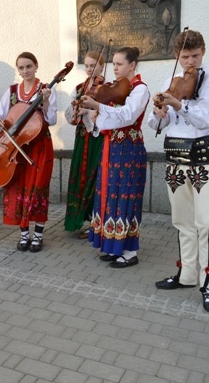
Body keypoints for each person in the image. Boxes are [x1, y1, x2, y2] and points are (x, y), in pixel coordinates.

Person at [148, 30, 209, 314]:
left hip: (203, 158)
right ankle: (187, 275)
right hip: (175, 158)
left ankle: (208, 284)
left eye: (195, 55)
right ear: (176, 56)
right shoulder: (171, 83)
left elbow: (206, 119)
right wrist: (159, 115)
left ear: (203, 51)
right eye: (185, 56)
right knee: (182, 221)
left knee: (205, 223)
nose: (190, 61)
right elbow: (157, 126)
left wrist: (177, 103)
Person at [78, 46, 149, 268]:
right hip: (111, 147)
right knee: (109, 195)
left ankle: (129, 251)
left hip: (129, 148)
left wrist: (99, 106)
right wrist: (93, 115)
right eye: (114, 63)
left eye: (119, 64)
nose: (115, 68)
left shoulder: (140, 89)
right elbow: (103, 124)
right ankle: (112, 245)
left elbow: (127, 117)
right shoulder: (112, 89)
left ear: (132, 65)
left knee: (126, 195)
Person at [0, 52, 56, 253]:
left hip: (39, 147)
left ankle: (38, 235)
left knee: (37, 188)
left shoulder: (44, 89)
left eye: (29, 66)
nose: (25, 71)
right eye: (21, 67)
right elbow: (0, 115)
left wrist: (45, 101)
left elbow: (51, 119)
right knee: (17, 188)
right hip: (16, 150)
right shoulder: (12, 91)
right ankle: (24, 235)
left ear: (36, 66)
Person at [64, 51, 105, 239]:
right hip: (81, 137)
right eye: (87, 65)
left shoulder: (106, 88)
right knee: (80, 174)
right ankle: (82, 218)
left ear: (102, 66)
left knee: (94, 177)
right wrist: (76, 110)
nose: (89, 69)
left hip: (96, 138)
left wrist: (87, 112)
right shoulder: (80, 87)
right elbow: (69, 114)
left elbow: (105, 114)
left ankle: (97, 222)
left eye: (93, 65)